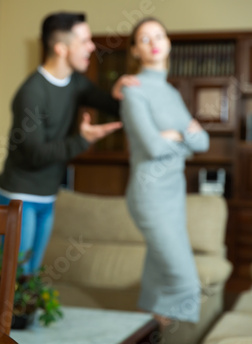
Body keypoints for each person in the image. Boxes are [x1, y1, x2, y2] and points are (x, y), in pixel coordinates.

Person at [0, 12, 137, 274]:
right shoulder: (32, 93)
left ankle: (25, 317)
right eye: (84, 41)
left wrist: (123, 91)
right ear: (61, 48)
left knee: (31, 279)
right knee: (13, 280)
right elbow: (35, 153)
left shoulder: (77, 83)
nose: (92, 47)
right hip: (20, 197)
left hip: (47, 196)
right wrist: (82, 141)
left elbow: (112, 106)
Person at [120, 17, 209, 325]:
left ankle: (143, 331)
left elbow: (204, 141)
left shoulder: (171, 92)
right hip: (149, 194)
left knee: (157, 282)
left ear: (169, 42)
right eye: (144, 39)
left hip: (174, 194)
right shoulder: (133, 91)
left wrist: (176, 136)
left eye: (159, 35)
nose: (154, 42)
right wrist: (185, 136)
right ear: (135, 50)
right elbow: (154, 147)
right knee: (185, 283)